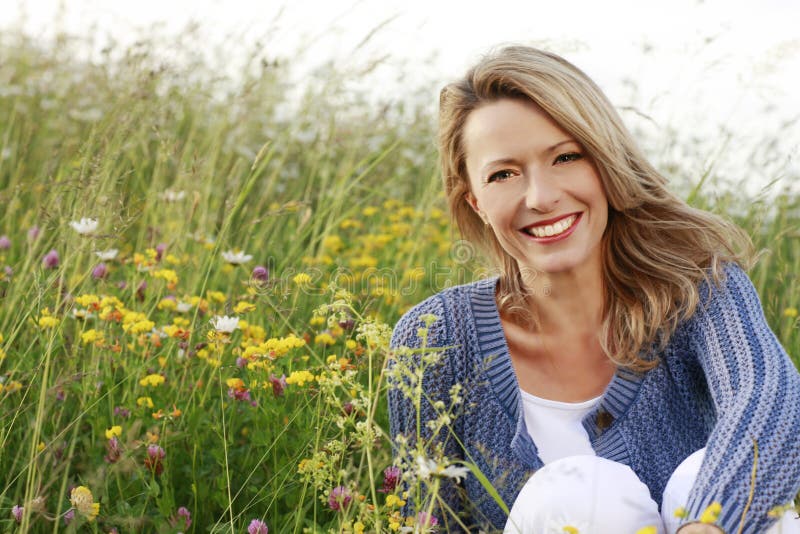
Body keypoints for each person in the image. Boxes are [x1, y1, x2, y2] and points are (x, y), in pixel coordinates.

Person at [386, 45, 800, 533]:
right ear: (475, 201)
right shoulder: (434, 338)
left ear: (605, 163)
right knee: (578, 498)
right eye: (504, 174)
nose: (541, 197)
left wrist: (708, 526)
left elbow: (769, 396)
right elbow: (430, 519)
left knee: (706, 487)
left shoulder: (697, 291)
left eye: (565, 157)